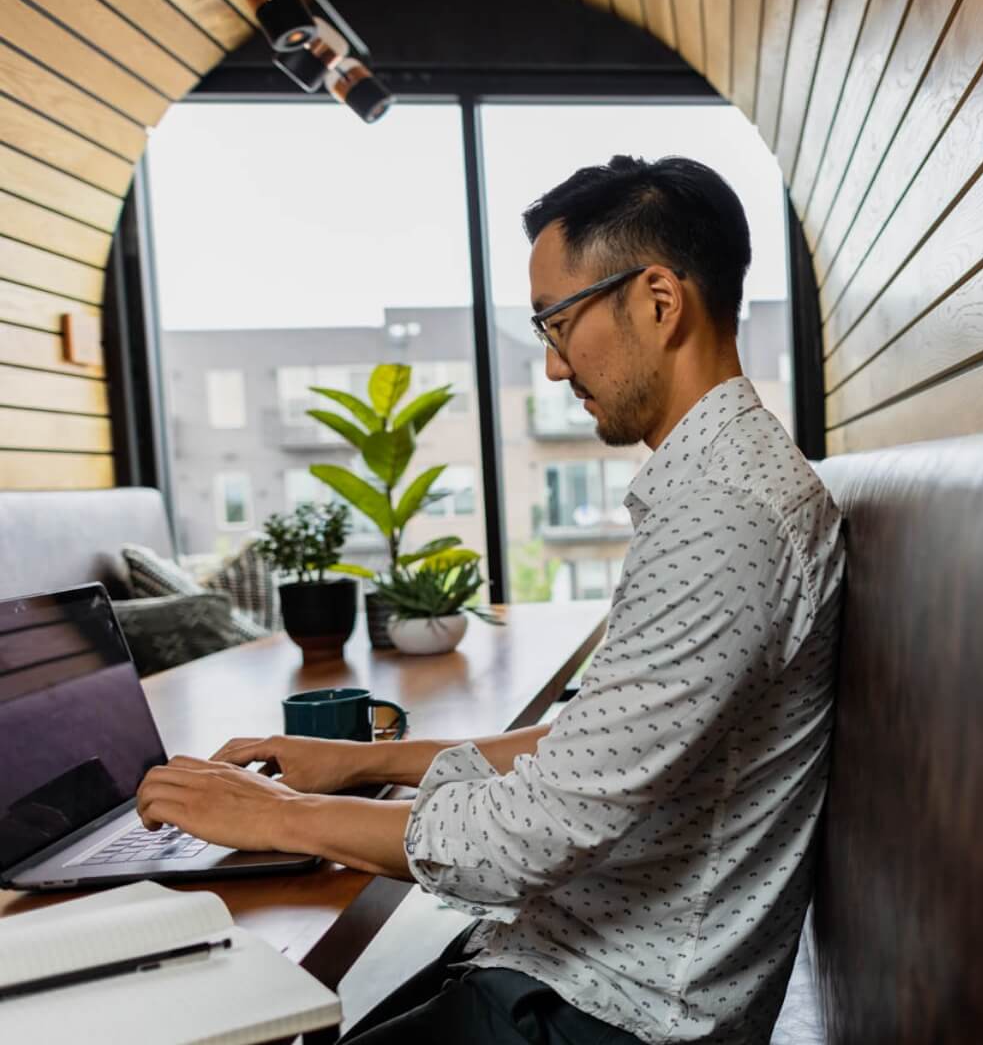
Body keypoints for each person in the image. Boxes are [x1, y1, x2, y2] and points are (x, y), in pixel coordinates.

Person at [134, 155, 845, 1045]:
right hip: (565, 965)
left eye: (559, 322)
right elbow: (600, 748)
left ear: (660, 300)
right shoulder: (711, 487)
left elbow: (535, 833)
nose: (552, 366)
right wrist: (366, 766)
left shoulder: (725, 515)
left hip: (618, 1014)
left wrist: (276, 817)